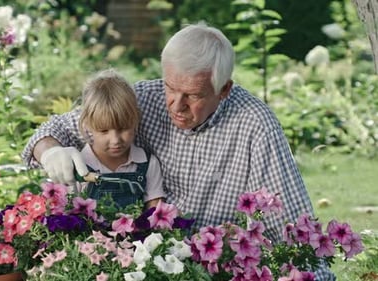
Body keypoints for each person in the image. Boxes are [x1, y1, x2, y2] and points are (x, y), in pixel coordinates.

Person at [22, 23, 334, 280]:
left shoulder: (254, 125)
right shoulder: (146, 97)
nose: (175, 104)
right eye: (171, 87)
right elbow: (54, 130)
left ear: (224, 89)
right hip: (137, 260)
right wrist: (50, 151)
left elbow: (294, 228)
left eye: (193, 95)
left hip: (210, 268)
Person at [47, 68, 165, 209]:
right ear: (88, 125)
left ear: (136, 120)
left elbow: (155, 211)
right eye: (104, 131)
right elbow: (67, 212)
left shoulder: (147, 163)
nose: (115, 140)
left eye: (123, 128)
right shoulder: (78, 166)